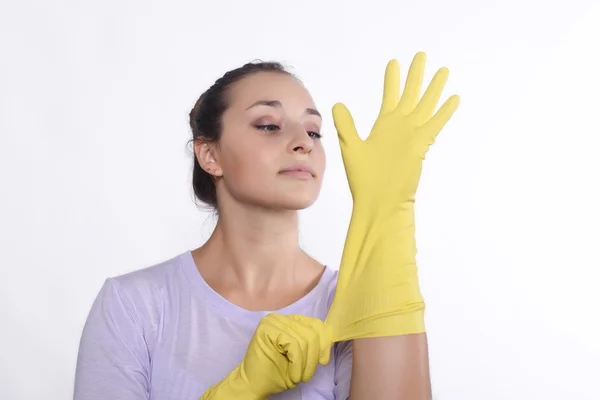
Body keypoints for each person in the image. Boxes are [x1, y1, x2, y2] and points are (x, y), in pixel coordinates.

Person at [74, 54, 450, 399]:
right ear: (210, 154)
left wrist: (385, 209)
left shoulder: (353, 305)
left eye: (314, 132)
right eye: (269, 126)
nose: (302, 141)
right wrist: (240, 388)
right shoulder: (133, 307)